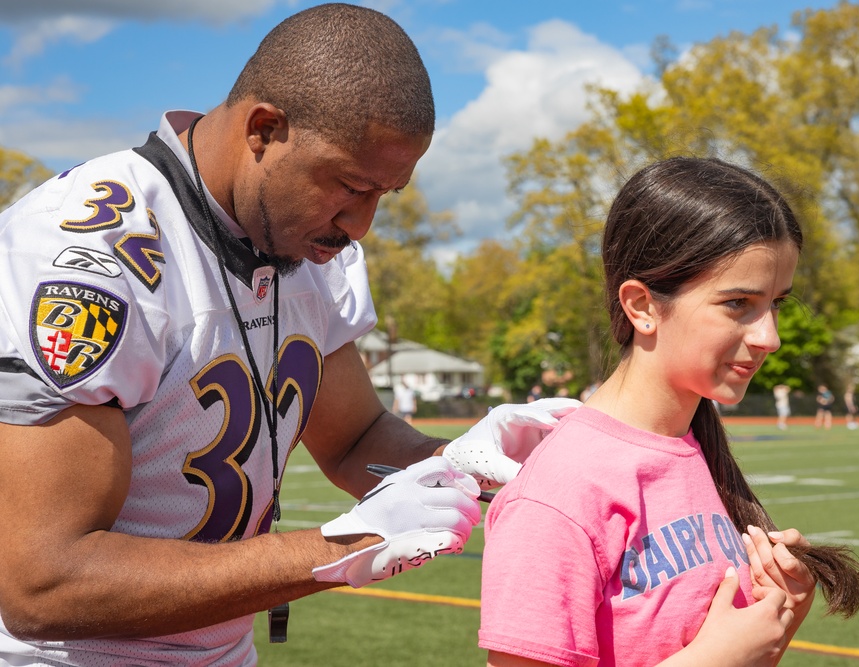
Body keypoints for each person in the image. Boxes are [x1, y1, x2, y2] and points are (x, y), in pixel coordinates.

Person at [0, 5, 579, 665]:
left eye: (385, 194)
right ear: (264, 128)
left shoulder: (308, 241)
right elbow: (43, 582)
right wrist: (341, 547)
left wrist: (464, 462)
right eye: (350, 186)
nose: (360, 225)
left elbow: (355, 438)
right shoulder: (84, 257)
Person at [479, 158, 859, 667]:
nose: (769, 337)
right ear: (642, 306)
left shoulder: (694, 449)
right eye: (738, 303)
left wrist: (776, 615)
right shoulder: (560, 493)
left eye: (776, 303)